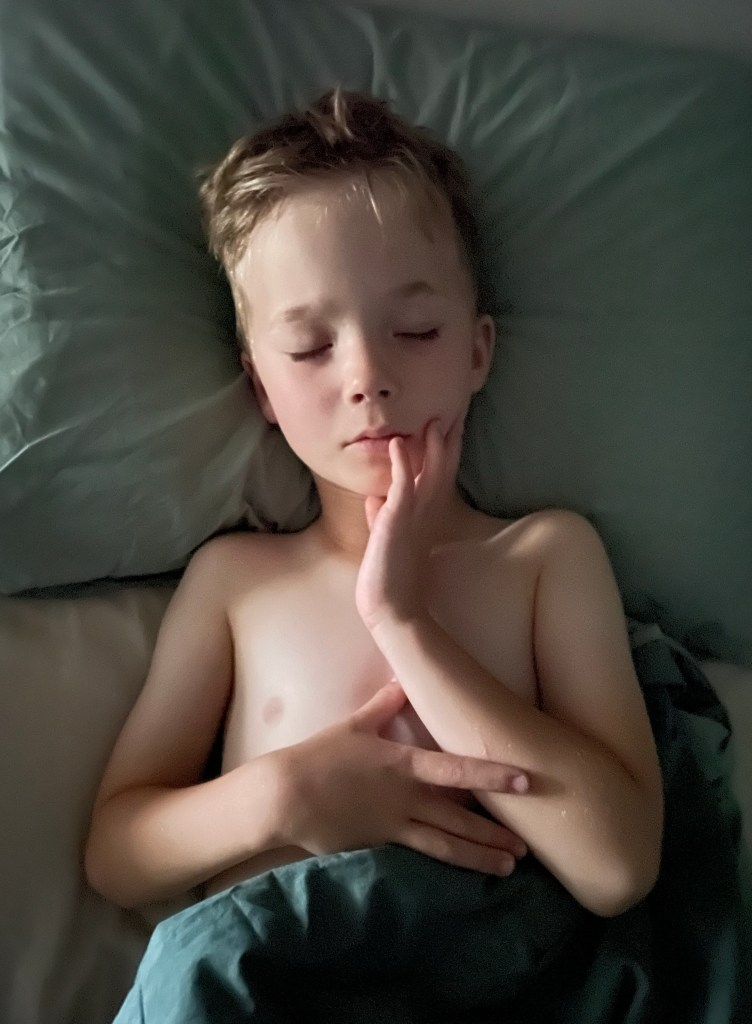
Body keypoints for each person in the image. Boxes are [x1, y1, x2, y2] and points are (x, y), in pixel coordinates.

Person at [84, 87, 663, 919]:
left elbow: (618, 867)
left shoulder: (544, 558)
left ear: (477, 351)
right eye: (309, 347)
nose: (367, 377)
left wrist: (402, 621)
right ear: (261, 389)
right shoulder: (237, 579)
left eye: (417, 331)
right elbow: (117, 855)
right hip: (265, 965)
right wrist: (282, 796)